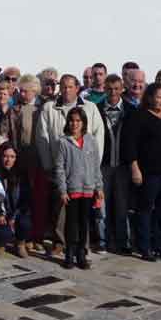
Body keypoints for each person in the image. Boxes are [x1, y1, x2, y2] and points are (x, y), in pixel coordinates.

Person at [36, 74, 105, 258]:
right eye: (63, 87)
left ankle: (82, 246)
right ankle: (61, 242)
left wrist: (92, 168)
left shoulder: (89, 108)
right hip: (58, 167)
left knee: (82, 214)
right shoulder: (49, 108)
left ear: (77, 88)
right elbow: (42, 138)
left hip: (83, 172)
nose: (66, 90)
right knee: (61, 210)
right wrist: (48, 164)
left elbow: (98, 137)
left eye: (70, 87)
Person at [0, 74, 47, 250]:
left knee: (36, 200)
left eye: (25, 91)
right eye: (21, 91)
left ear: (34, 91)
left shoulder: (43, 108)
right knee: (19, 198)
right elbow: (2, 134)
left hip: (38, 160)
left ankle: (35, 237)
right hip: (17, 159)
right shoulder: (14, 110)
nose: (22, 94)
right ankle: (18, 237)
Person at [129, 84, 161, 261]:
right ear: (149, 97)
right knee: (145, 209)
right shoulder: (139, 116)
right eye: (158, 97)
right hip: (148, 173)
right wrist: (135, 168)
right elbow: (131, 145)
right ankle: (144, 247)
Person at [55, 107, 104, 270]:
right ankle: (69, 253)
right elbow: (60, 168)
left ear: (83, 122)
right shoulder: (63, 142)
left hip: (88, 189)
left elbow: (96, 165)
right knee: (71, 223)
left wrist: (99, 186)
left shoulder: (90, 140)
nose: (74, 124)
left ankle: (81, 254)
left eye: (78, 121)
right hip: (72, 190)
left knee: (84, 223)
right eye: (72, 120)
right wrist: (62, 190)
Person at [95, 74, 133, 255]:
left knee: (122, 205)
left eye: (117, 88)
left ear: (122, 89)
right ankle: (103, 240)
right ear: (104, 89)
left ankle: (123, 241)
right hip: (103, 164)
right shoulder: (96, 110)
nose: (113, 92)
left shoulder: (131, 111)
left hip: (123, 166)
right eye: (109, 89)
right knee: (102, 205)